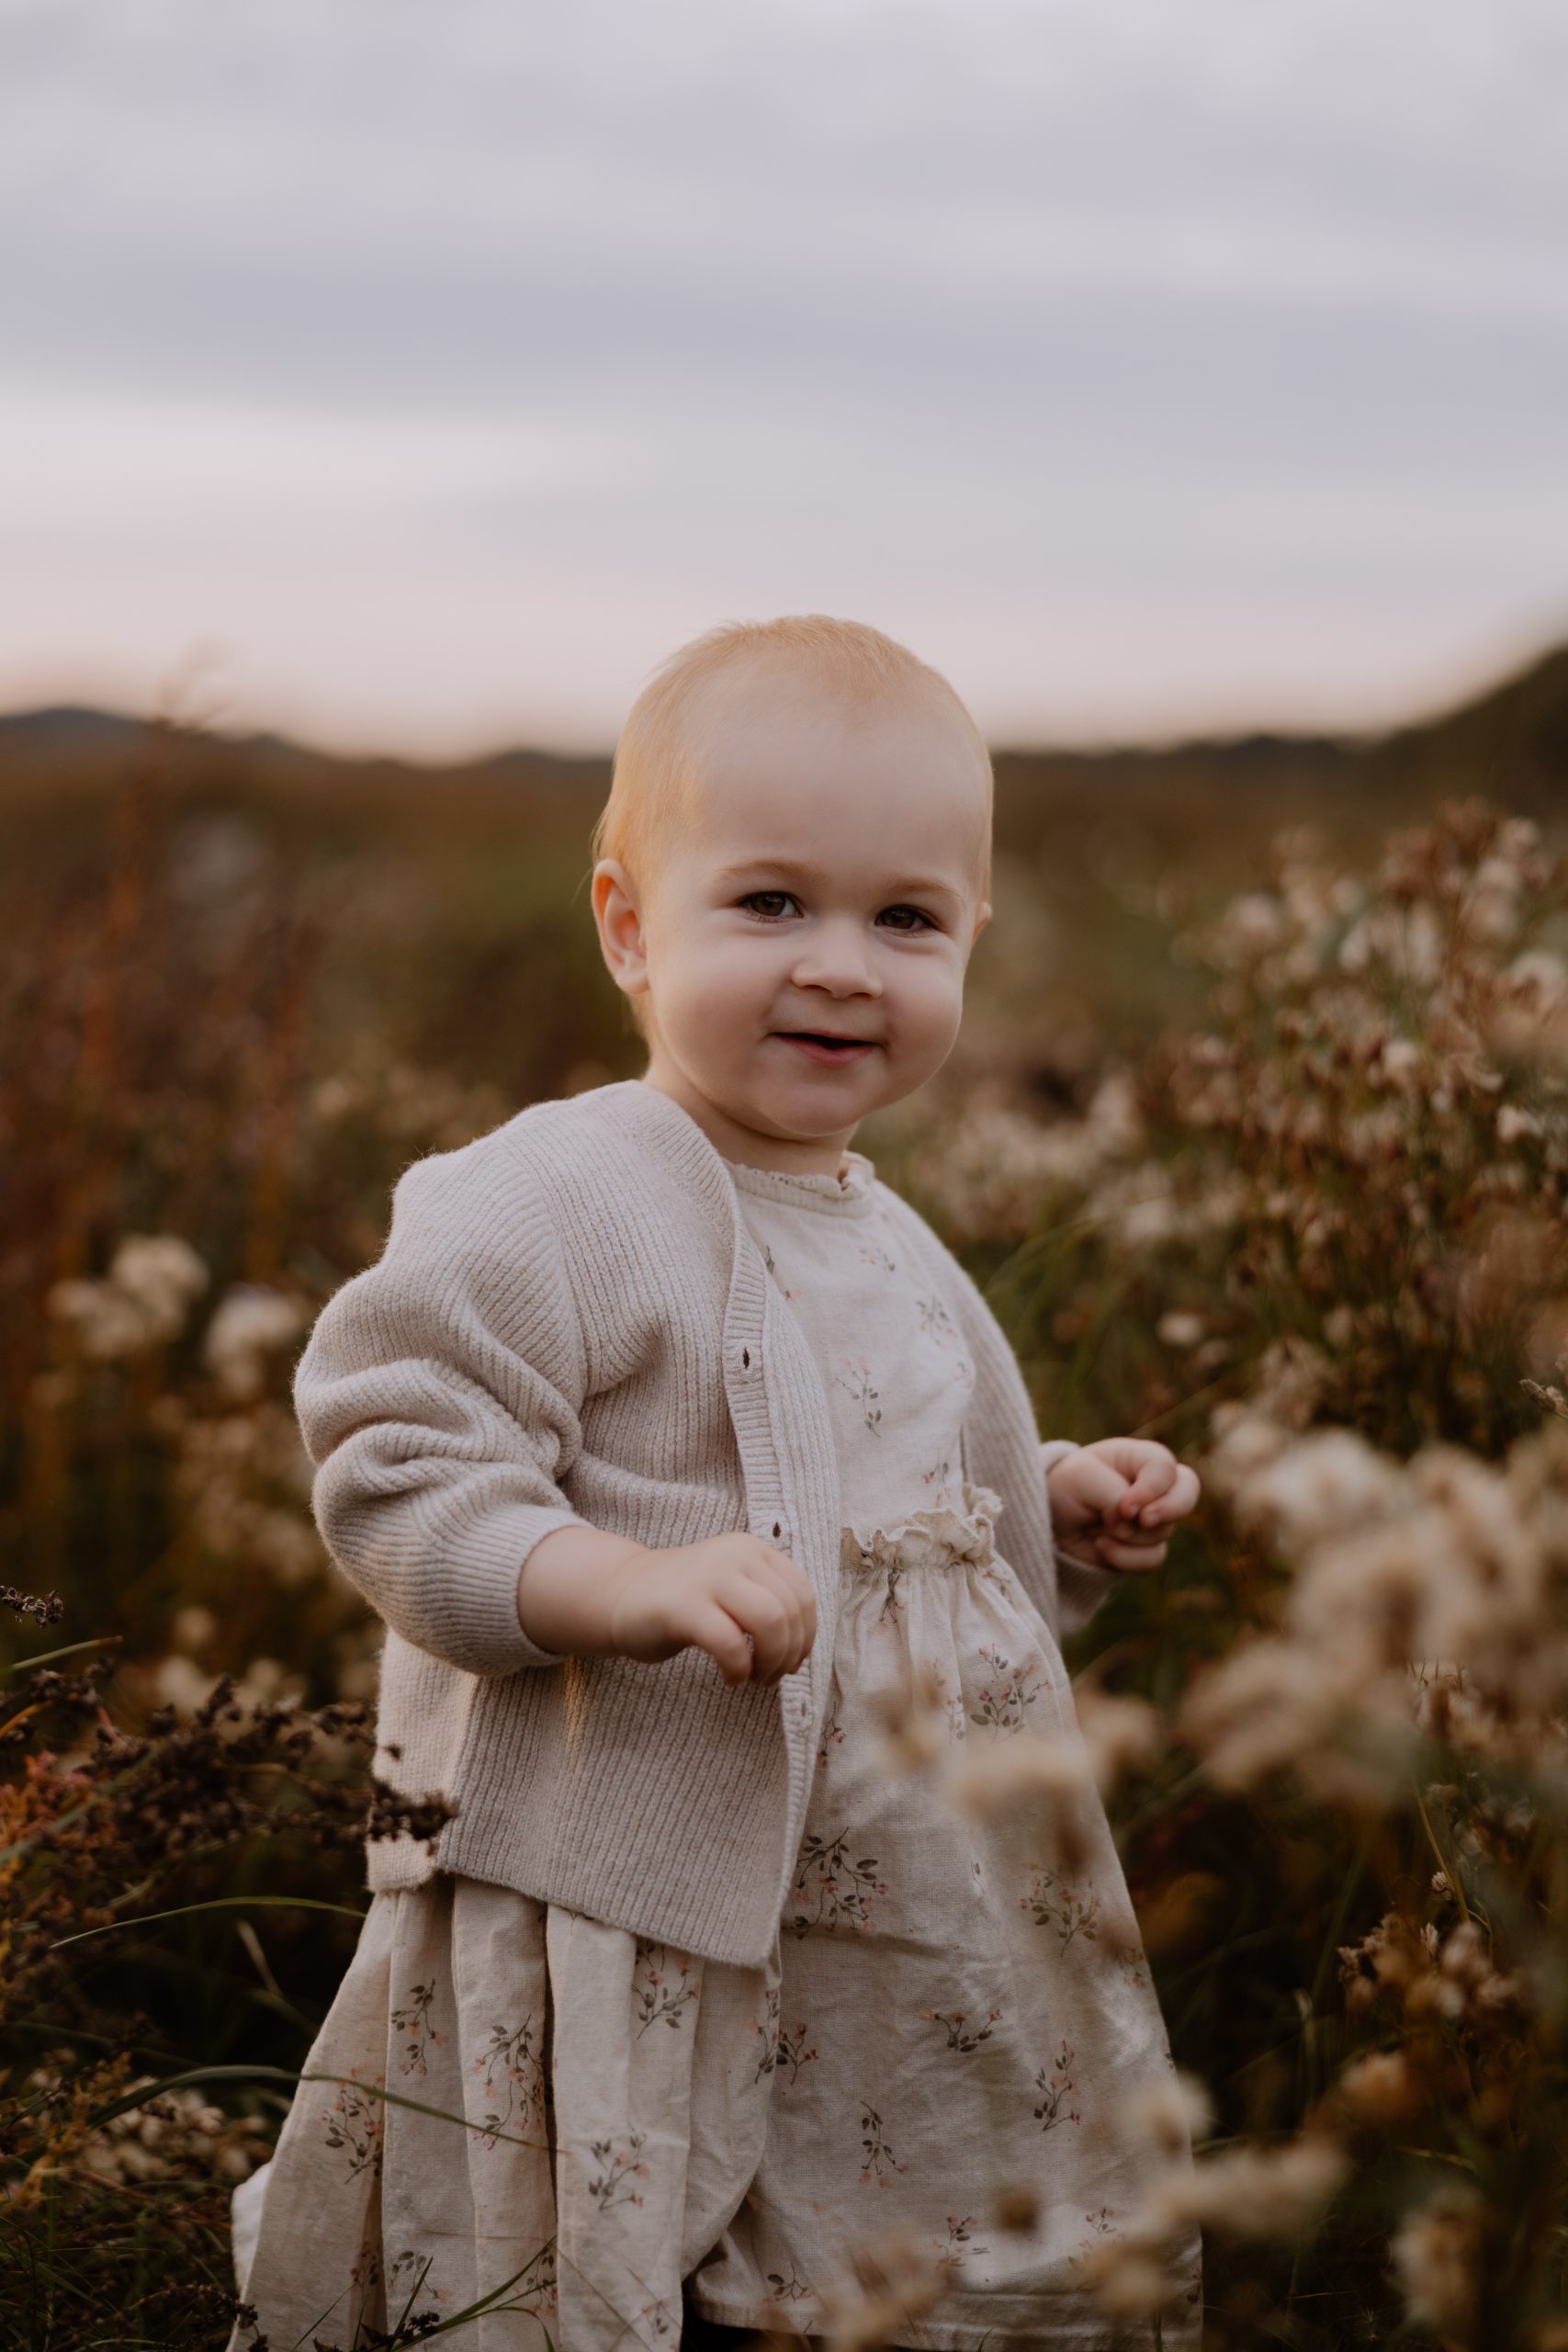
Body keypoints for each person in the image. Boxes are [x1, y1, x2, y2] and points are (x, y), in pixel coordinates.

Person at [230, 616, 1204, 2351]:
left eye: (905, 918)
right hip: (641, 1876)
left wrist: (1039, 1499)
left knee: (869, 2185)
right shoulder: (560, 1193)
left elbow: (890, 1475)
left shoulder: (880, 1225)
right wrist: (611, 1580)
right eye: (770, 903)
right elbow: (395, 1457)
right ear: (629, 924)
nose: (841, 965)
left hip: (907, 1877)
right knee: (622, 2204)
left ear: (969, 939)